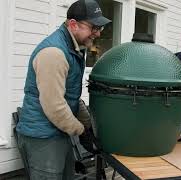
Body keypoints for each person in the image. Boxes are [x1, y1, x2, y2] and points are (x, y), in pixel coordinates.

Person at [15, 0, 111, 179]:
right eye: (94, 27)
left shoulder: (76, 48)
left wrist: (88, 126)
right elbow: (55, 106)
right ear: (73, 24)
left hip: (59, 132)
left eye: (100, 28)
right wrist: (81, 131)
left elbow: (71, 97)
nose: (97, 33)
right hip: (42, 137)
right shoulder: (54, 53)